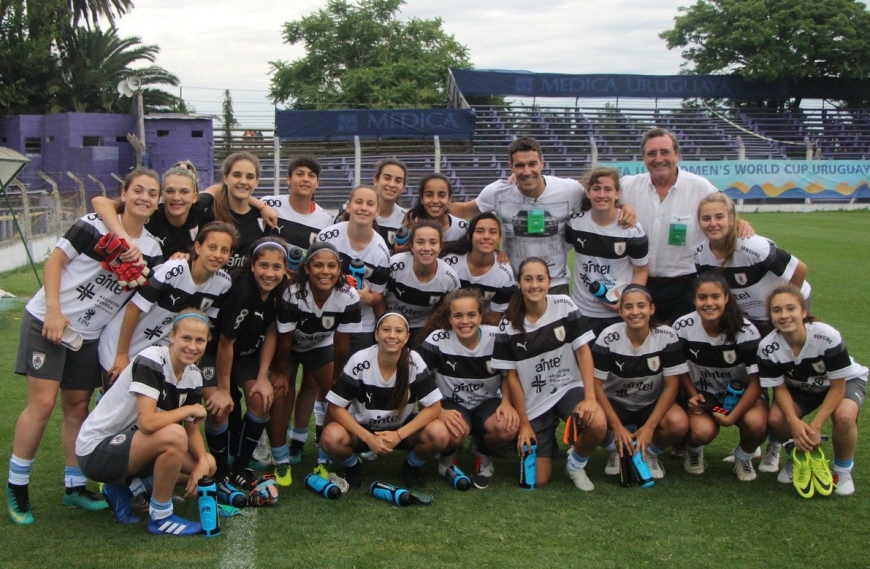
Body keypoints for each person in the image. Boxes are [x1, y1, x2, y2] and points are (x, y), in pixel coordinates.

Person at [6, 168, 164, 525]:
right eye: (137, 190)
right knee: (42, 404)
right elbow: (55, 263)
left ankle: (74, 486)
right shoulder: (93, 223)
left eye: (152, 193)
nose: (144, 197)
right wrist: (53, 311)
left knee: (77, 407)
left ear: (158, 202)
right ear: (124, 193)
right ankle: (17, 486)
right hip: (49, 321)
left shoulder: (153, 250)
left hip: (89, 336)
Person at [75, 309, 215, 535]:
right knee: (173, 436)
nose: (192, 346)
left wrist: (201, 465)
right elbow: (147, 423)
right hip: (96, 450)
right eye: (186, 338)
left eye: (199, 340)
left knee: (208, 463)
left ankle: (125, 491)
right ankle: (160, 517)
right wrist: (188, 408)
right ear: (172, 337)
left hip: (135, 448)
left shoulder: (193, 374)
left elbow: (192, 431)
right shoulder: (152, 360)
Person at [450, 136, 635, 294]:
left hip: (555, 282)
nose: (527, 171)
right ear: (511, 167)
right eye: (520, 166)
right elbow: (465, 210)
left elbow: (599, 202)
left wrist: (623, 206)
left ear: (542, 163)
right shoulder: (497, 192)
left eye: (532, 164)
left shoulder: (569, 190)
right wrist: (427, 211)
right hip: (514, 281)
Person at [491, 258, 606, 490]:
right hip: (534, 402)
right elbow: (511, 377)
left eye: (540, 278)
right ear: (519, 284)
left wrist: (590, 398)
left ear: (549, 282)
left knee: (598, 424)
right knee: (537, 481)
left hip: (566, 388)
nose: (535, 285)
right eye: (528, 279)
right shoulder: (508, 325)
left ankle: (575, 464)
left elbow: (583, 352)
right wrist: (524, 423)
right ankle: (546, 439)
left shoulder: (564, 305)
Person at [620, 128, 736, 324]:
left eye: (665, 152)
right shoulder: (627, 187)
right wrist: (621, 204)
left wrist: (741, 225)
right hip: (640, 282)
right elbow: (599, 200)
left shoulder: (701, 188)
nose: (659, 159)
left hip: (685, 285)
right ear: (643, 158)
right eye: (651, 154)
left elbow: (727, 214)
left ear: (677, 155)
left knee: (682, 346)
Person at [758, 284, 866, 496]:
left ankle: (842, 470)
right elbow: (779, 389)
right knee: (777, 418)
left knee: (844, 416)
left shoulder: (827, 336)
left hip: (842, 382)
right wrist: (794, 422)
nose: (784, 315)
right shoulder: (767, 347)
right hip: (801, 387)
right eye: (777, 310)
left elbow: (837, 387)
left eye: (791, 308)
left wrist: (815, 426)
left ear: (804, 311)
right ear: (770, 316)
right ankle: (798, 457)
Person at [98, 222, 237, 385]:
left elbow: (205, 324)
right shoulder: (173, 270)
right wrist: (121, 354)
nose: (217, 255)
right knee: (118, 405)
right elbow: (133, 307)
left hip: (159, 354)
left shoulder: (223, 283)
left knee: (149, 407)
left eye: (224, 250)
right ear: (198, 247)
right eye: (212, 247)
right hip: (121, 345)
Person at [321, 313, 449, 490]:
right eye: (386, 330)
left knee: (440, 434)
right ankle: (352, 466)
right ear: (376, 335)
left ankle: (411, 466)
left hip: (401, 429)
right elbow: (336, 407)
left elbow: (434, 408)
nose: (392, 336)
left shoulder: (414, 361)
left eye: (399, 331)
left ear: (406, 337)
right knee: (330, 438)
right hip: (363, 430)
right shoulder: (359, 360)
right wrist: (368, 438)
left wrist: (398, 435)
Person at [269, 242, 363, 481]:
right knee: (281, 391)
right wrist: (280, 372)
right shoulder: (292, 291)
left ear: (339, 269)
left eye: (332, 266)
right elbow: (285, 338)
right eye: (318, 265)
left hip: (318, 344)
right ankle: (280, 458)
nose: (325, 271)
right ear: (307, 268)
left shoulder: (348, 295)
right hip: (288, 346)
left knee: (335, 393)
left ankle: (324, 456)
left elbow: (342, 344)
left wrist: (337, 377)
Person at [199, 238, 287, 491]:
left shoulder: (281, 289)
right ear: (252, 266)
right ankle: (221, 470)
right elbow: (225, 342)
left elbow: (272, 330)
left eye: (276, 267)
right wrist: (224, 390)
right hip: (215, 353)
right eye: (263, 266)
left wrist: (262, 377)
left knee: (260, 400)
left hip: (246, 355)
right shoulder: (242, 292)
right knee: (219, 407)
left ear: (284, 269)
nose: (269, 274)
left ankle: (241, 465)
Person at [417, 289, 519, 489]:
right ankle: (448, 455)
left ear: (481, 316)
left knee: (507, 428)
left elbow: (509, 373)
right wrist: (437, 411)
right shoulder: (438, 340)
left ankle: (483, 453)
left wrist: (506, 402)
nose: (465, 321)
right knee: (453, 432)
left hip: (488, 402)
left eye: (471, 315)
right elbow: (418, 378)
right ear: (449, 318)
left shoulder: (496, 337)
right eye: (458, 316)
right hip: (450, 403)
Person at [675, 273, 767, 481]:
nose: (709, 303)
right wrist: (692, 395)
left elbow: (756, 381)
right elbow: (678, 369)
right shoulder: (682, 327)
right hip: (705, 395)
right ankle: (694, 451)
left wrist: (733, 416)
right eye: (702, 297)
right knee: (701, 432)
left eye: (715, 297)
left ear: (726, 298)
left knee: (757, 423)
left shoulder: (746, 331)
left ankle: (743, 456)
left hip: (741, 395)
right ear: (694, 300)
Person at [592, 284, 689, 480]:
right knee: (590, 419)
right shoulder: (607, 337)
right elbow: (595, 386)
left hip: (650, 403)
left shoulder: (666, 336)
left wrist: (650, 427)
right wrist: (617, 428)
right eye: (628, 307)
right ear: (620, 311)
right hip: (615, 403)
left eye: (641, 306)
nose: (635, 312)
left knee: (678, 423)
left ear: (651, 309)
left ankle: (649, 452)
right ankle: (614, 449)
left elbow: (672, 386)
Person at [95, 160, 275, 261]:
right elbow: (100, 202)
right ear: (162, 195)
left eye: (184, 192)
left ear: (195, 196)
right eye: (170, 191)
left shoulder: (199, 210)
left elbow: (220, 188)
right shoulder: (150, 211)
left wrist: (262, 206)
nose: (177, 198)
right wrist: (123, 238)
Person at [694, 192, 810, 336]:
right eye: (706, 218)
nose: (712, 224)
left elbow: (799, 270)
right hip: (748, 317)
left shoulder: (754, 246)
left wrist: (783, 308)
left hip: (778, 312)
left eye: (719, 217)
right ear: (699, 223)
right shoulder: (700, 255)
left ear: (731, 219)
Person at [566, 167, 649, 337]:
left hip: (617, 313)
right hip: (582, 310)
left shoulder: (632, 231)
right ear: (588, 193)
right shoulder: (575, 224)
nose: (601, 194)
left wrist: (628, 300)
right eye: (596, 189)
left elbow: (641, 270)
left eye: (608, 189)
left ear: (617, 193)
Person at [316, 185, 390, 355]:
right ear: (348, 206)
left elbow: (379, 296)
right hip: (326, 312)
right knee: (321, 374)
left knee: (355, 376)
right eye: (358, 202)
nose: (363, 207)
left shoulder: (381, 252)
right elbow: (311, 275)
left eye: (370, 204)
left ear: (377, 210)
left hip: (361, 320)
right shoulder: (327, 237)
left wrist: (368, 297)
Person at [385, 220, 460, 346]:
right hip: (389, 322)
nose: (426, 248)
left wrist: (427, 332)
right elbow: (378, 298)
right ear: (412, 246)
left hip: (422, 327)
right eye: (420, 242)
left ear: (440, 247)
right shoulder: (393, 265)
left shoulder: (450, 278)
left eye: (433, 242)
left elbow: (444, 314)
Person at [441, 212, 515, 325]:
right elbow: (440, 308)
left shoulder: (504, 273)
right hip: (447, 322)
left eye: (493, 232)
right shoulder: (449, 263)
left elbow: (496, 318)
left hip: (482, 324)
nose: (486, 236)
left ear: (499, 238)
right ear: (469, 236)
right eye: (479, 231)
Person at [206, 151, 270, 272]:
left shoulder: (263, 219)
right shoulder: (209, 213)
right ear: (225, 178)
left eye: (250, 177)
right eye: (237, 175)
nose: (243, 181)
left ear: (256, 182)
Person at [261, 156, 335, 251]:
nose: (305, 179)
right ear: (288, 179)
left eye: (311, 175)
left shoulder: (326, 220)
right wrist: (261, 206)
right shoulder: (269, 204)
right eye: (300, 174)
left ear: (317, 183)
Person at [403, 173, 468, 244]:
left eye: (441, 195)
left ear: (449, 200)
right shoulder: (410, 227)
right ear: (421, 199)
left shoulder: (463, 229)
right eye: (429, 195)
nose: (435, 201)